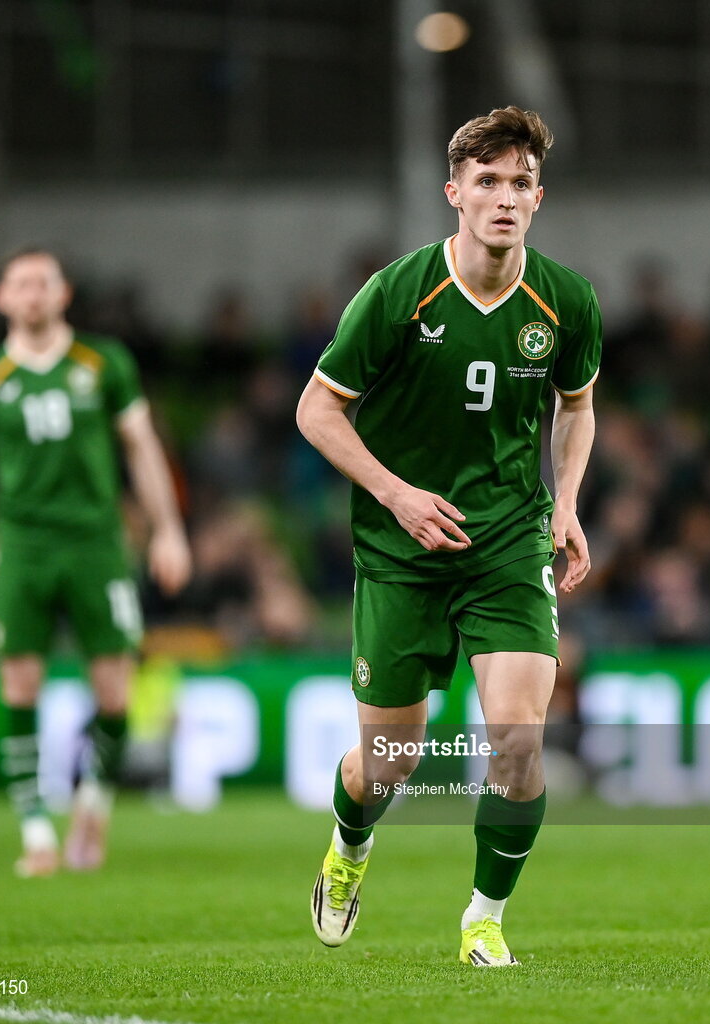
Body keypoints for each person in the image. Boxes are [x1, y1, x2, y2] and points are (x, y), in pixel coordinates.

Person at [296, 107, 601, 966]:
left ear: (538, 198)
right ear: (454, 193)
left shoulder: (566, 300)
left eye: (519, 184)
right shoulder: (398, 293)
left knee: (517, 737)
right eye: (487, 183)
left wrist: (566, 501)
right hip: (401, 552)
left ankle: (483, 919)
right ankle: (349, 849)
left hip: (507, 540)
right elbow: (316, 409)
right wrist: (394, 494)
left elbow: (575, 409)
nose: (504, 198)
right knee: (388, 763)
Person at [0, 248, 192, 878]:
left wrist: (167, 532)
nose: (33, 292)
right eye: (20, 283)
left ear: (63, 293)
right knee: (19, 686)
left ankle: (92, 809)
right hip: (20, 547)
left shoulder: (103, 365)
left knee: (115, 693)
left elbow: (142, 447)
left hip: (97, 542)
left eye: (43, 281)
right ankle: (37, 831)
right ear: (2, 298)